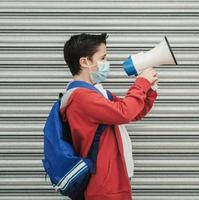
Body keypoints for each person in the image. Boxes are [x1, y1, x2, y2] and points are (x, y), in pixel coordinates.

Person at [60, 33, 158, 200]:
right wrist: (141, 83)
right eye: (103, 58)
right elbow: (124, 112)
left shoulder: (98, 93)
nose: (107, 63)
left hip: (112, 178)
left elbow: (134, 112)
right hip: (103, 184)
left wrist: (149, 90)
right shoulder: (81, 97)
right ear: (84, 62)